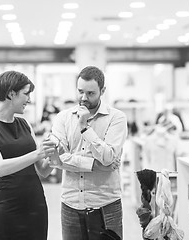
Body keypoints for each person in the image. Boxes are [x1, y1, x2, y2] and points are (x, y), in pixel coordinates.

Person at [0, 70, 57, 240]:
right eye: (26, 94)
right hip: (7, 206)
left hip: (35, 203)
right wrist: (37, 154)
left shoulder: (24, 124)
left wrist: (54, 153)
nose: (29, 99)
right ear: (11, 94)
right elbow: (0, 167)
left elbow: (43, 171)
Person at [50, 66, 128, 239]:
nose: (83, 98)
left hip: (105, 204)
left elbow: (108, 158)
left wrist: (85, 127)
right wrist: (94, 164)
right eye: (80, 91)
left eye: (90, 93)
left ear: (103, 91)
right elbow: (56, 158)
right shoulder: (63, 117)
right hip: (71, 204)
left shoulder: (117, 118)